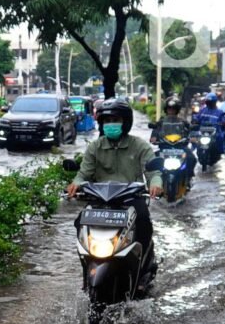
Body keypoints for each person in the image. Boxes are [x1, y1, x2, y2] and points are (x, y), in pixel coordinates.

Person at [67, 99, 163, 279]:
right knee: (79, 222)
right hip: (99, 201)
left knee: (144, 223)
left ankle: (142, 267)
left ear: (125, 122)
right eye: (107, 120)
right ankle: (87, 266)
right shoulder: (95, 147)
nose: (111, 124)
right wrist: (76, 183)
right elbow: (84, 172)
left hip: (131, 200)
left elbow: (152, 170)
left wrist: (155, 183)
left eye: (115, 120)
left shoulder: (139, 145)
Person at [149, 97, 197, 184]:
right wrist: (154, 137)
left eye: (173, 109)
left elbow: (190, 129)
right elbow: (155, 130)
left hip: (180, 147)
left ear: (177, 110)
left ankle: (188, 178)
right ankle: (155, 181)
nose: (171, 111)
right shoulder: (161, 121)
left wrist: (192, 137)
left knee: (192, 158)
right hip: (164, 147)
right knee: (152, 160)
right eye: (169, 109)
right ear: (166, 110)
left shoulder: (183, 121)